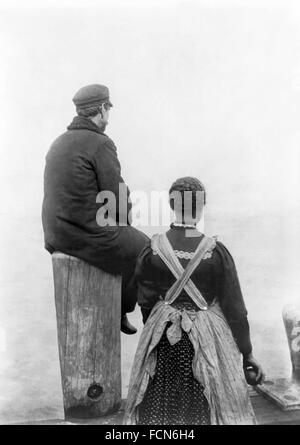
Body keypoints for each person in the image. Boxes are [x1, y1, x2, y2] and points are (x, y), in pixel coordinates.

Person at [124, 176, 265, 425]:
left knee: (159, 410)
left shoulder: (152, 249)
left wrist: (160, 325)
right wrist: (247, 352)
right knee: (207, 407)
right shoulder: (216, 252)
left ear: (171, 205)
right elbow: (236, 311)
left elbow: (146, 302)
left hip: (164, 339)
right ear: (201, 207)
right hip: (208, 339)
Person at [42, 84, 148, 334]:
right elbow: (116, 195)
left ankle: (119, 309)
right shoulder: (101, 143)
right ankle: (123, 310)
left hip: (56, 236)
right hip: (85, 233)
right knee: (146, 249)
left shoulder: (58, 143)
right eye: (108, 109)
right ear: (102, 109)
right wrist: (124, 225)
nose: (108, 117)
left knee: (125, 242)